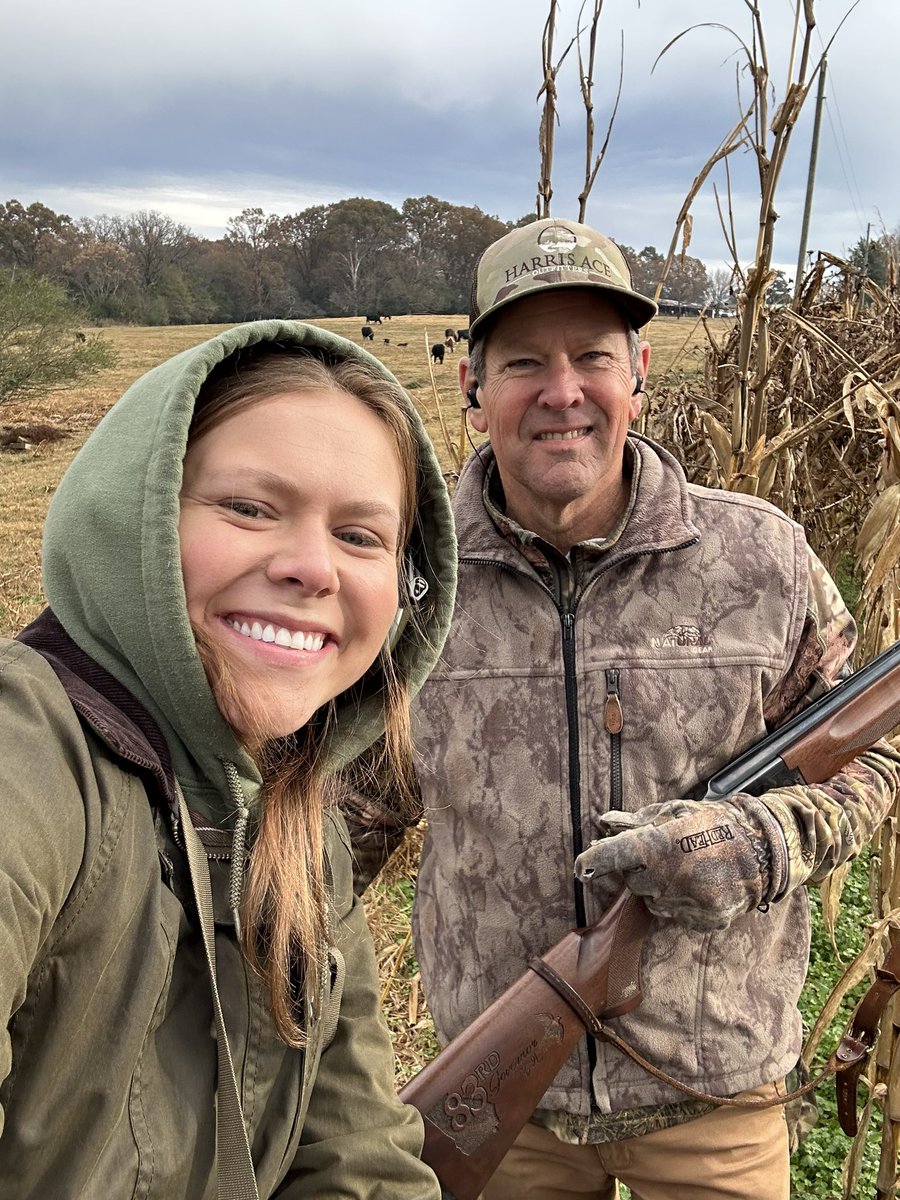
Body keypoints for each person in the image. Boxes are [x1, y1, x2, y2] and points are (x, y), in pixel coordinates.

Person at [343, 218, 900, 1200]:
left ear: (637, 371)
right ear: (475, 390)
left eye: (591, 357)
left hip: (716, 1090)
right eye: (524, 362)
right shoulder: (410, 581)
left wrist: (765, 842)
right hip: (503, 1101)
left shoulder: (760, 559)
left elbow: (874, 761)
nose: (563, 392)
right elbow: (352, 813)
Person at [0, 320, 457, 1199]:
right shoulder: (29, 754)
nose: (312, 569)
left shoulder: (295, 822)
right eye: (249, 508)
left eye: (362, 536)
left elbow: (357, 1160)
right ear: (136, 512)